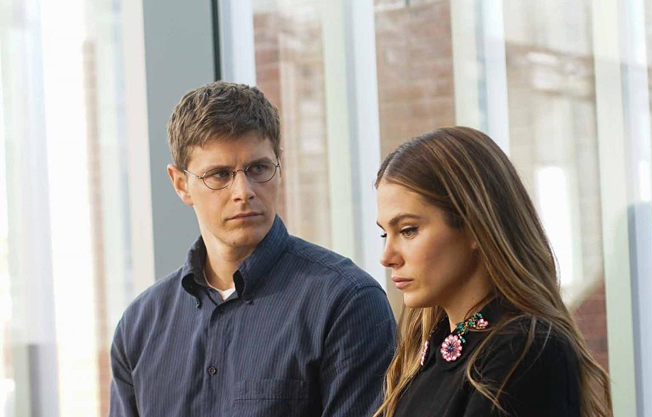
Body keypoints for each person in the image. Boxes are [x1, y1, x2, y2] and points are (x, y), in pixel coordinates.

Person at [109, 81, 396, 416]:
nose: (243, 191)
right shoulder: (139, 327)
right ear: (181, 184)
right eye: (219, 175)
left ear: (279, 166)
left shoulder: (346, 302)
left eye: (258, 168)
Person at [374, 127, 612, 417]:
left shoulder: (524, 351)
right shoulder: (427, 352)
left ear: (474, 226)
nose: (387, 257)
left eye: (408, 230)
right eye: (385, 234)